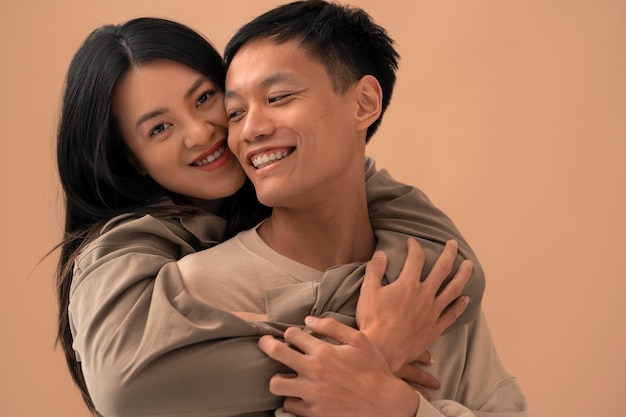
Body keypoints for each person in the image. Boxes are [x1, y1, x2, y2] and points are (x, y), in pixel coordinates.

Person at [56, 14, 484, 417]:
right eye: (159, 128)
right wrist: (370, 353)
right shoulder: (130, 254)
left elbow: (455, 277)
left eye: (206, 99)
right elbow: (122, 385)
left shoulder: (342, 195)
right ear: (134, 162)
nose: (202, 132)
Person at [177, 1, 529, 416]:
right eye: (235, 113)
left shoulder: (424, 284)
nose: (251, 130)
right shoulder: (194, 291)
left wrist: (400, 407)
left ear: (363, 103)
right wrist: (376, 371)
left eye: (278, 96)